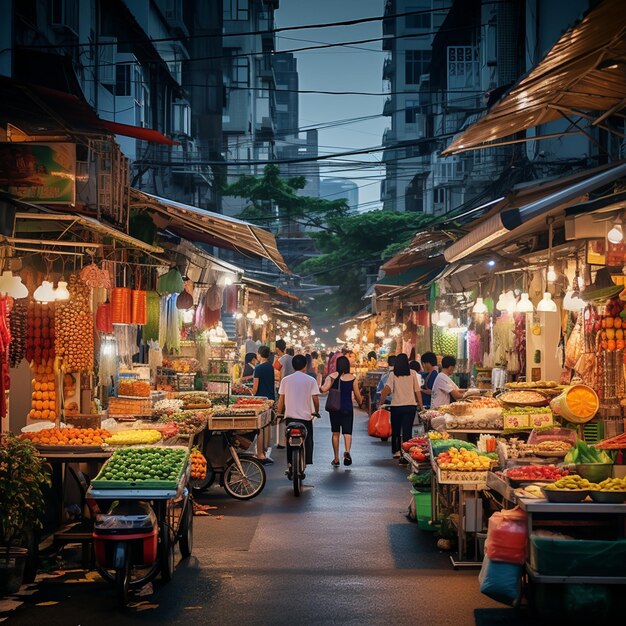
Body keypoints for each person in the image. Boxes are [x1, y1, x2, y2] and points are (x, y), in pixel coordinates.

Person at [276, 354, 320, 476]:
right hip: (305, 418)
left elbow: (281, 400)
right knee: (308, 440)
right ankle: (305, 461)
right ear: (305, 366)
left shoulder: (286, 380)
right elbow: (315, 399)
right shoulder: (311, 380)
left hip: (290, 418)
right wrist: (316, 411)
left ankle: (290, 464)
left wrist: (279, 414)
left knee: (290, 441)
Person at [379, 353, 423, 462]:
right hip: (410, 407)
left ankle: (397, 451)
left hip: (397, 407)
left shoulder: (393, 374)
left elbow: (386, 390)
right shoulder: (412, 373)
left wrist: (381, 402)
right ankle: (406, 454)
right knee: (407, 431)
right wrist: (421, 406)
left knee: (396, 431)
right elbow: (417, 391)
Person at [320, 355, 363, 467]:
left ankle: (336, 458)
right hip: (347, 408)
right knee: (347, 433)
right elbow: (358, 396)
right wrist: (360, 403)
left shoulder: (332, 376)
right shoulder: (353, 378)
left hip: (334, 409)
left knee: (335, 433)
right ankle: (347, 451)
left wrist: (319, 383)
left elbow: (323, 389)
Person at [252, 345, 276, 465]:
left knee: (260, 427)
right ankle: (265, 450)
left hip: (260, 400)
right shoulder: (270, 367)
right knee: (267, 425)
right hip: (270, 398)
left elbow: (255, 388)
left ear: (260, 354)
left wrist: (250, 394)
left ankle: (260, 454)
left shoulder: (258, 368)